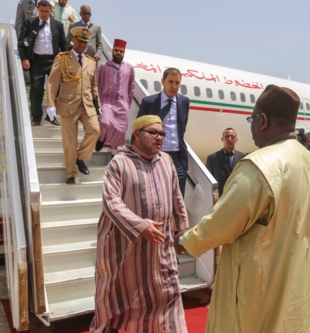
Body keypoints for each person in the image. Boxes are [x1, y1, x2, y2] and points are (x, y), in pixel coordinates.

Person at [176, 84, 310, 332]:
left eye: (251, 119)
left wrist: (184, 240)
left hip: (256, 291)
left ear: (263, 121)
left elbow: (221, 226)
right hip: (298, 284)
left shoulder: (259, 166)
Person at [90, 115, 189, 333]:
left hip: (160, 247)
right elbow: (111, 202)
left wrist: (182, 230)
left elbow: (176, 196)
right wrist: (141, 226)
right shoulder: (119, 163)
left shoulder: (166, 161)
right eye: (153, 132)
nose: (159, 137)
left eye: (162, 133)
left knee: (168, 293)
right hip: (125, 248)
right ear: (137, 134)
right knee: (116, 299)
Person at [45, 26, 100, 184]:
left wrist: (98, 104)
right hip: (68, 105)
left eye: (85, 41)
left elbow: (93, 85)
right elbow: (52, 83)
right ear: (73, 40)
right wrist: (50, 103)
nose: (82, 44)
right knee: (70, 141)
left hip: (87, 105)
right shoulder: (62, 58)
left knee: (95, 130)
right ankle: (71, 173)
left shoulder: (91, 62)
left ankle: (81, 157)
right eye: (80, 41)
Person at [135, 68, 190, 196]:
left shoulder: (184, 102)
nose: (174, 86)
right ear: (163, 81)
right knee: (157, 195)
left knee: (179, 197)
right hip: (156, 156)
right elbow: (138, 129)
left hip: (178, 158)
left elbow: (182, 127)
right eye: (170, 82)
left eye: (177, 83)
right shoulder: (149, 102)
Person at [18, 0, 68, 126]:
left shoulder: (58, 25)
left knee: (56, 90)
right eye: (42, 11)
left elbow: (64, 45)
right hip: (36, 61)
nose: (44, 14)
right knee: (36, 89)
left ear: (50, 11)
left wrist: (66, 61)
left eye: (47, 11)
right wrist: (24, 58)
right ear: (38, 10)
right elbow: (21, 43)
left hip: (53, 61)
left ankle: (51, 116)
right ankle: (36, 117)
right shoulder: (29, 22)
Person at [95, 38, 135, 155]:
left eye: (121, 51)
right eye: (116, 50)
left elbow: (131, 87)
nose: (118, 53)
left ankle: (114, 154)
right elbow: (97, 84)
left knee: (121, 130)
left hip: (123, 103)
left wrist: (128, 104)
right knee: (104, 122)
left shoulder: (129, 68)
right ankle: (101, 138)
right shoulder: (104, 66)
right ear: (113, 51)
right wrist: (96, 102)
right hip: (106, 101)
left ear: (124, 53)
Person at [206, 128, 245, 197]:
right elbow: (208, 181)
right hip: (220, 198)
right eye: (227, 136)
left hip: (238, 197)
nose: (229, 139)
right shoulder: (212, 158)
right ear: (222, 139)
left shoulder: (243, 158)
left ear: (236, 140)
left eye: (232, 137)